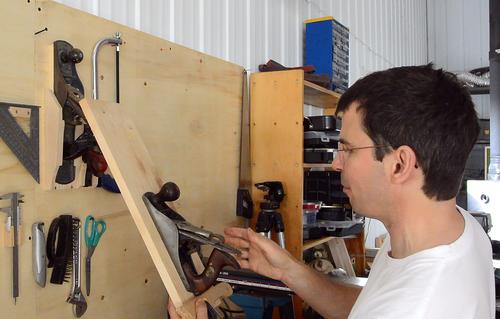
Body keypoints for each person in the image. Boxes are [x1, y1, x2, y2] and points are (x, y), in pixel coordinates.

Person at [169, 64, 495, 318]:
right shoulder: (455, 230)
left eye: (348, 149)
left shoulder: (416, 307)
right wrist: (290, 271)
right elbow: (369, 306)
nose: (337, 164)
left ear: (399, 164)